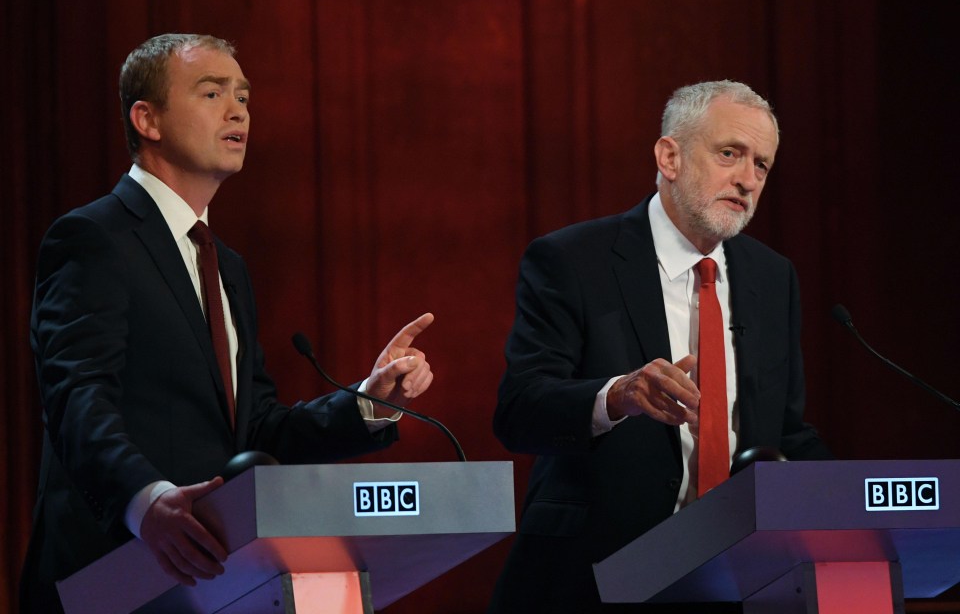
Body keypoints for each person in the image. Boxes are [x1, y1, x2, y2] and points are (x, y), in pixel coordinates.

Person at [20, 33, 435, 614]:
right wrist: (148, 501)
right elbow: (77, 400)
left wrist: (367, 402)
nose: (238, 109)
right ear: (148, 119)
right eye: (212, 93)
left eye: (243, 96)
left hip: (218, 578)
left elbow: (255, 432)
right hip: (115, 570)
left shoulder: (226, 265)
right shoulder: (94, 238)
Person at [489, 80, 832, 612]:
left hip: (738, 577)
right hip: (596, 575)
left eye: (761, 165)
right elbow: (519, 410)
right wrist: (617, 396)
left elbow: (784, 432)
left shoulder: (772, 276)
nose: (747, 180)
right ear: (669, 157)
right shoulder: (574, 260)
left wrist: (858, 505)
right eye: (729, 154)